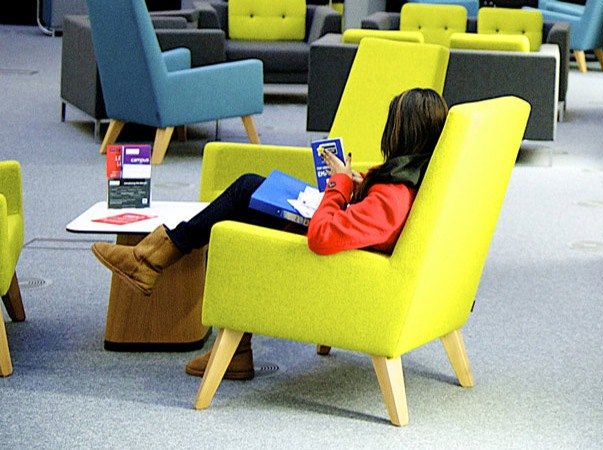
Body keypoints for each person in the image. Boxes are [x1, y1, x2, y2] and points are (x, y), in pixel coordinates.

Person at [90, 88, 450, 381]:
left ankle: (152, 260)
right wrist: (358, 188)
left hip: (338, 265)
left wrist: (339, 187)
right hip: (349, 248)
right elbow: (366, 219)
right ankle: (155, 263)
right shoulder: (409, 182)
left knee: (244, 208)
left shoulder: (392, 196)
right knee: (249, 193)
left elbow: (323, 237)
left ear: (400, 134)